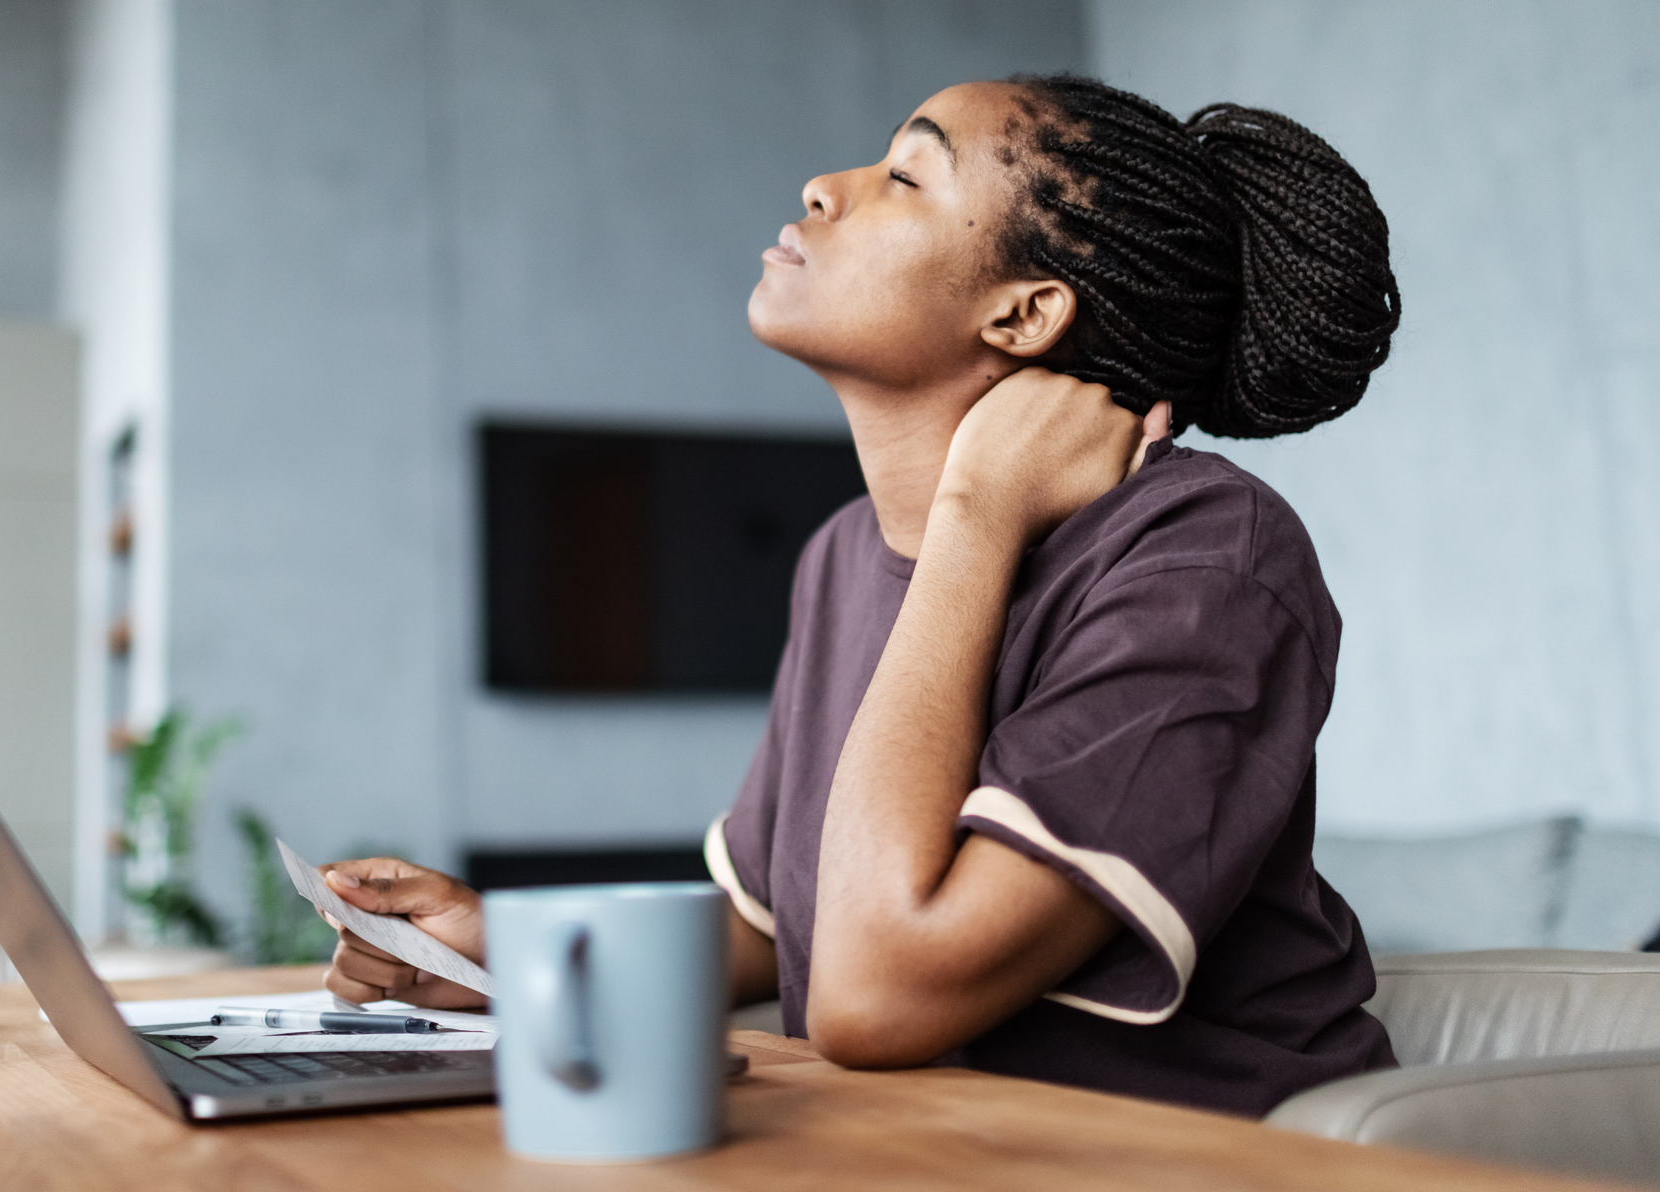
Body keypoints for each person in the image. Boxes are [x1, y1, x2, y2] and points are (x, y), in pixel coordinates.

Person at [315, 74, 1402, 1117]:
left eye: (906, 176)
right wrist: (501, 952)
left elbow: (876, 996)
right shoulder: (841, 554)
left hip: (1182, 1158)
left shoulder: (1206, 557)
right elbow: (772, 930)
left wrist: (974, 518)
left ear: (1023, 315)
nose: (824, 188)